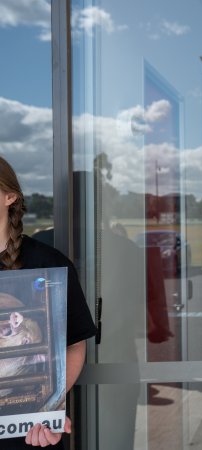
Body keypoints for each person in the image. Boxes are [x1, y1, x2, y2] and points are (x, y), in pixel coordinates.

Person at [0, 156, 98, 449]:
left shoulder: (48, 264)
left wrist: (47, 404)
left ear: (10, 196)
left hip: (27, 431)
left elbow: (74, 343)